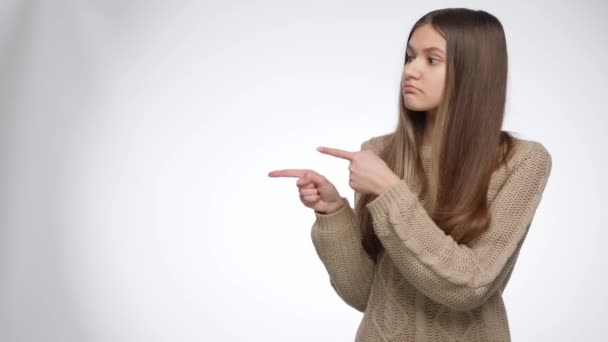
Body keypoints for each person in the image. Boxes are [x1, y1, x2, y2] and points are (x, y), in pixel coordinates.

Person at [268, 7, 552, 342]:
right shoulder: (378, 152)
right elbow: (364, 294)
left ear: (475, 73)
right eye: (409, 56)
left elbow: (470, 287)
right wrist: (333, 214)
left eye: (432, 60)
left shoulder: (522, 161)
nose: (410, 71)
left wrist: (389, 190)